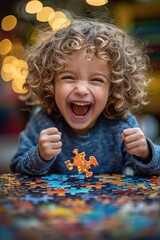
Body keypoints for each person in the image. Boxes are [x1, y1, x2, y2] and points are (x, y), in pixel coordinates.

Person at [11, 19, 160, 176]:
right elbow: (17, 168)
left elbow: (152, 172)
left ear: (114, 89)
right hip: (56, 201)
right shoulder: (43, 121)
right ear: (50, 82)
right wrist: (40, 156)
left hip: (106, 200)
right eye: (68, 77)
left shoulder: (121, 124)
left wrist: (146, 153)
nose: (81, 89)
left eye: (96, 80)